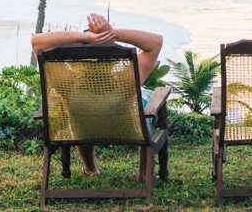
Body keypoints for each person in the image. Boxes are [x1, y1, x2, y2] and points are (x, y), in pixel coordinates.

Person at [31, 13, 163, 175]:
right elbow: (156, 42)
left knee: (85, 114)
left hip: (83, 131)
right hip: (125, 130)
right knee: (147, 102)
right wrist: (112, 32)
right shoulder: (126, 81)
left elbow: (36, 41)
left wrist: (85, 38)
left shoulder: (67, 84)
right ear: (114, 58)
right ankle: (144, 173)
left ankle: (91, 168)